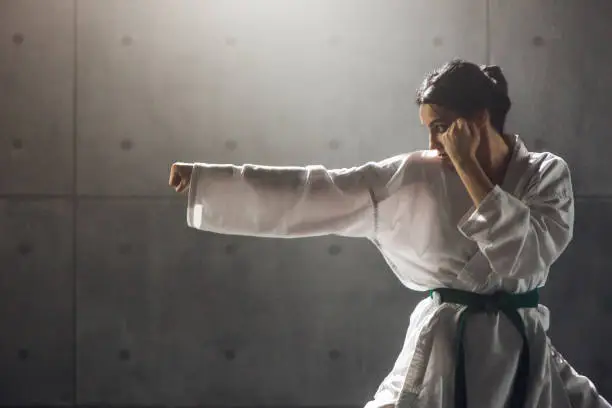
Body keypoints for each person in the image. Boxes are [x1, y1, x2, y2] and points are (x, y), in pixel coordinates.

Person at [168, 59, 611, 408]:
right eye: (428, 130)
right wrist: (212, 182)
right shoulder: (418, 174)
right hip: (444, 351)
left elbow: (526, 258)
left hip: (521, 353)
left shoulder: (546, 174)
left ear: (479, 118)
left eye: (441, 127)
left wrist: (469, 167)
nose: (435, 143)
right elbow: (320, 189)